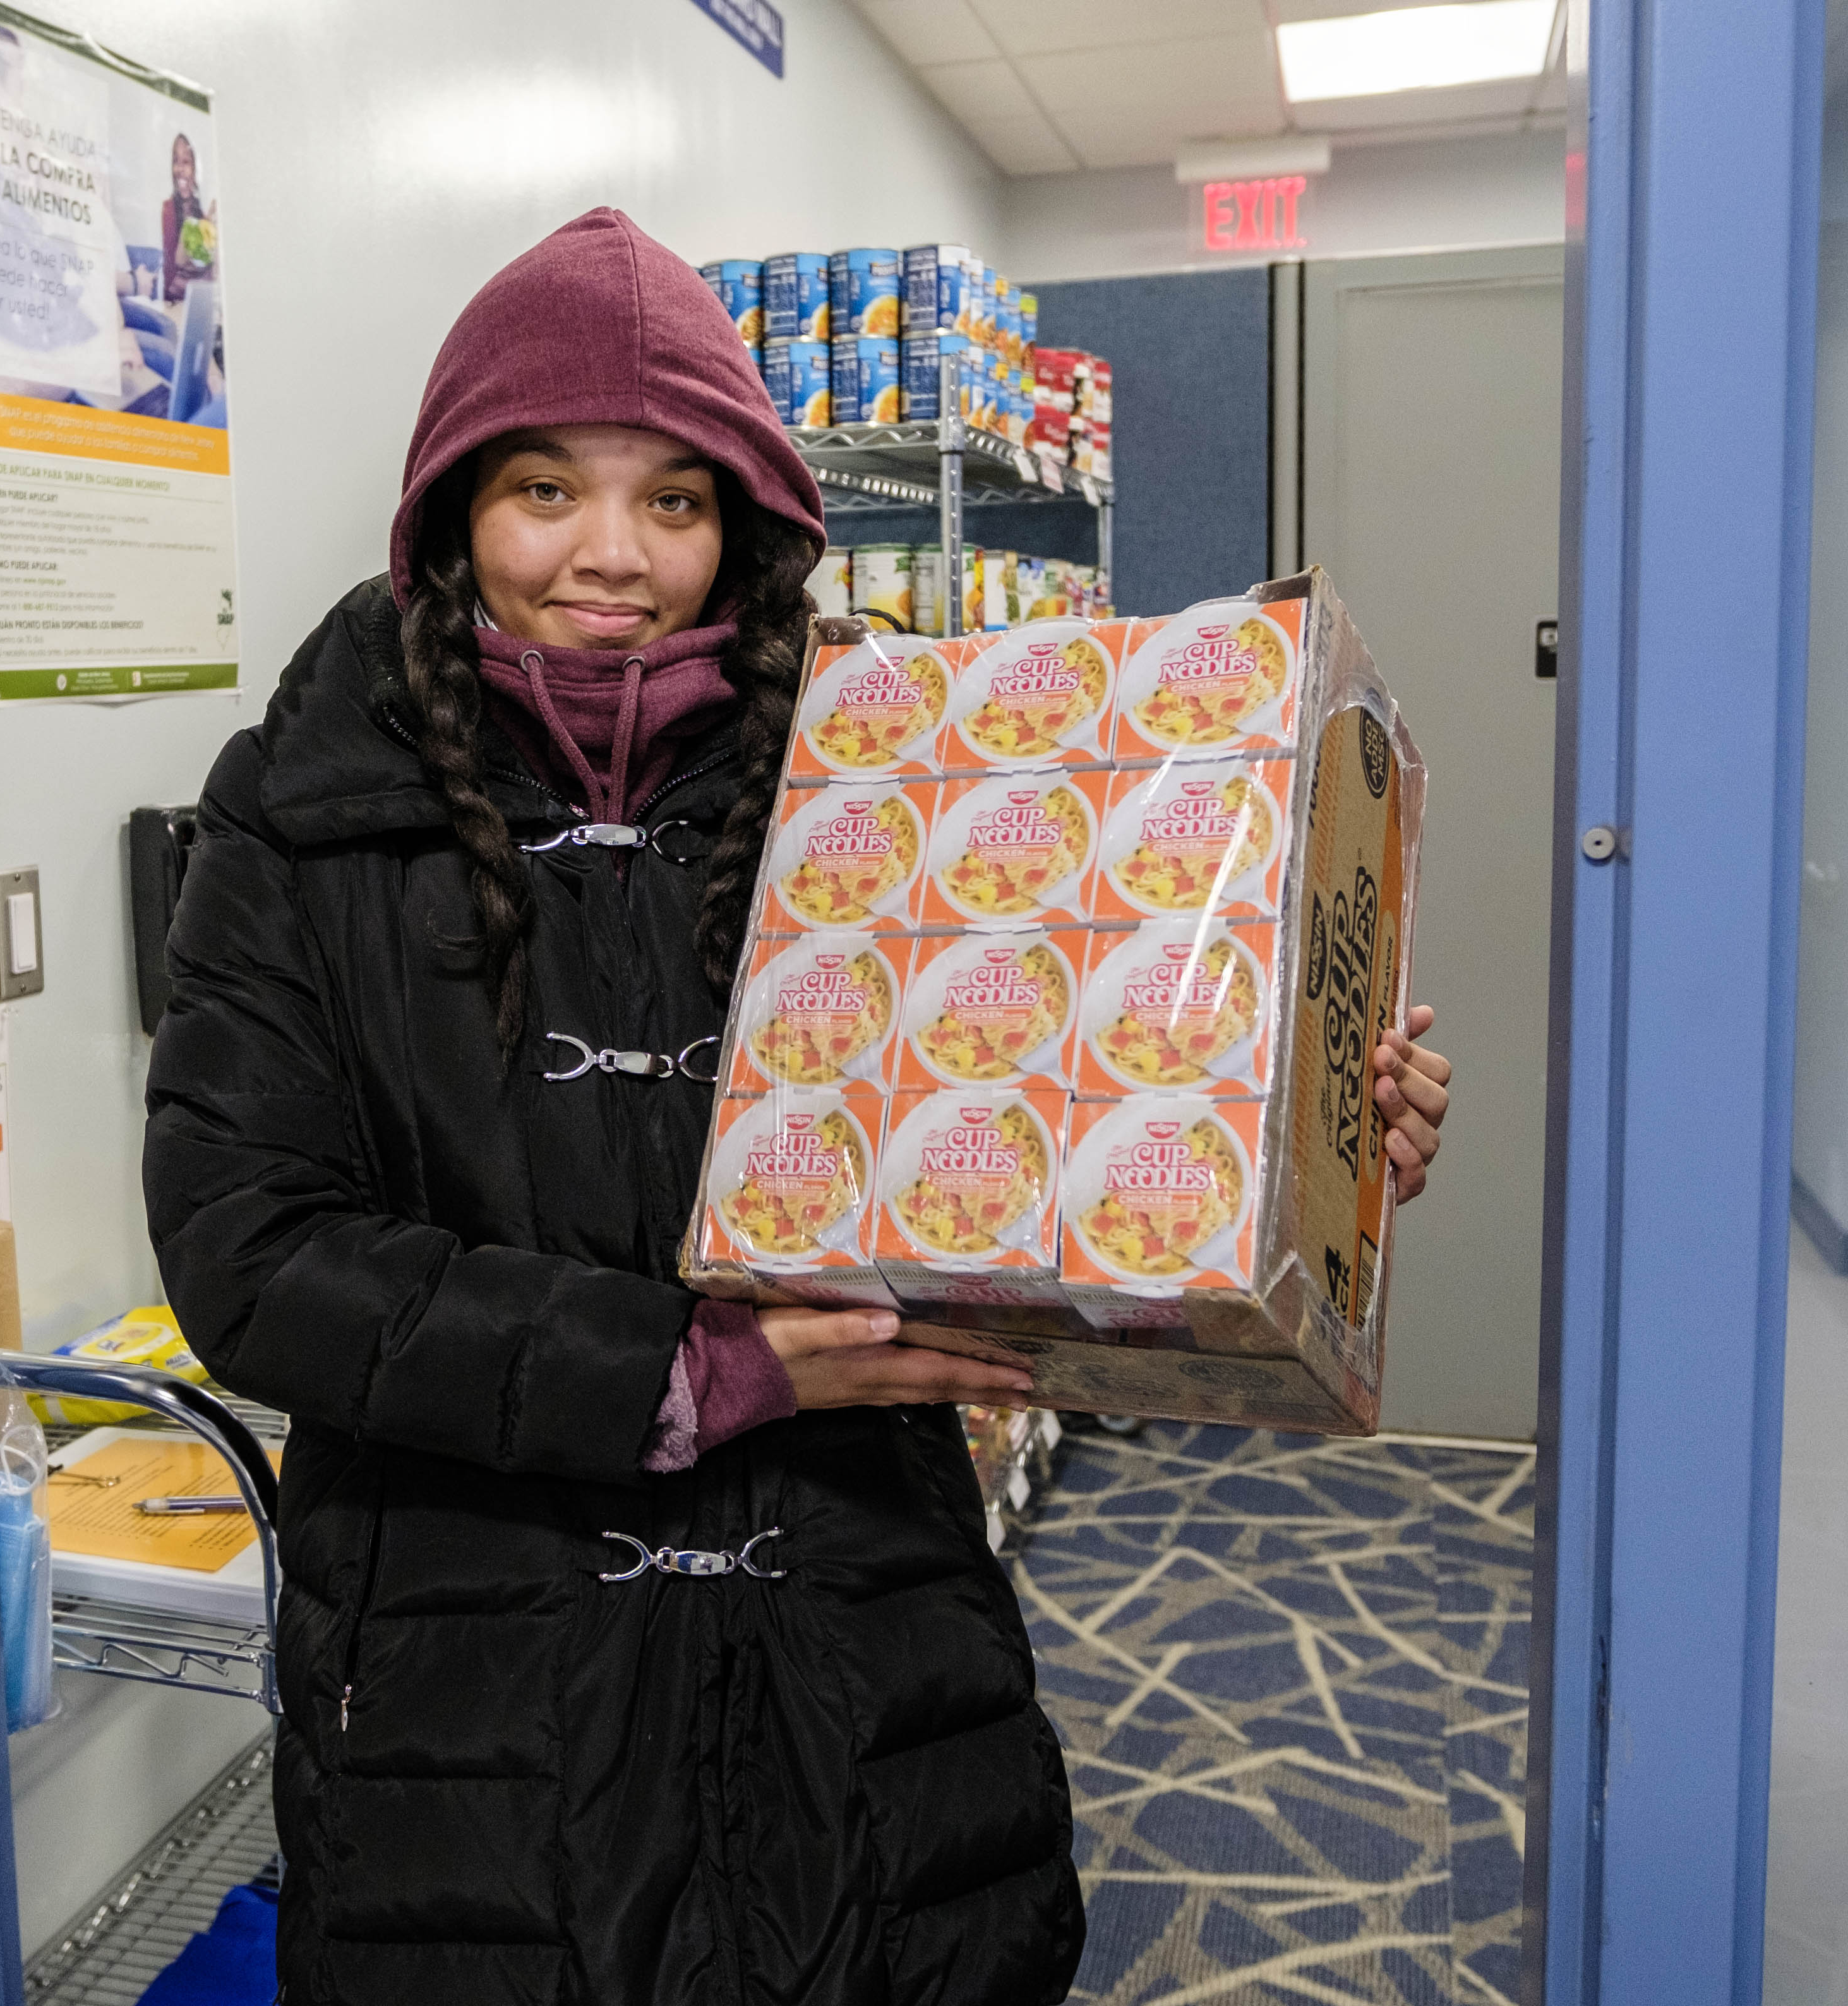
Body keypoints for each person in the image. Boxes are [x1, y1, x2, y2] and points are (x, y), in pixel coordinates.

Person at [142, 208, 1455, 2006]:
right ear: (452, 508)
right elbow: (254, 1256)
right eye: (542, 490)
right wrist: (690, 1369)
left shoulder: (899, 782)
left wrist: (1293, 1133)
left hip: (854, 1626)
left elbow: (1050, 1140)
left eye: (673, 502)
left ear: (740, 525)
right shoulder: (300, 820)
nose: (611, 558)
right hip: (475, 1681)